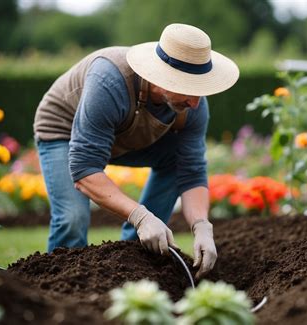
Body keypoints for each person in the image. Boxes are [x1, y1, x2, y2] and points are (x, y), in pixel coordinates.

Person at [33, 23, 239, 279]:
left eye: (200, 89)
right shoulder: (109, 80)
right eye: (188, 88)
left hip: (124, 135)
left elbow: (192, 171)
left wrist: (202, 226)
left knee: (177, 158)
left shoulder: (192, 106)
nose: (195, 103)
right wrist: (140, 217)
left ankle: (133, 256)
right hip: (62, 131)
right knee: (72, 219)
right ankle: (60, 286)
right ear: (163, 76)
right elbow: (85, 170)